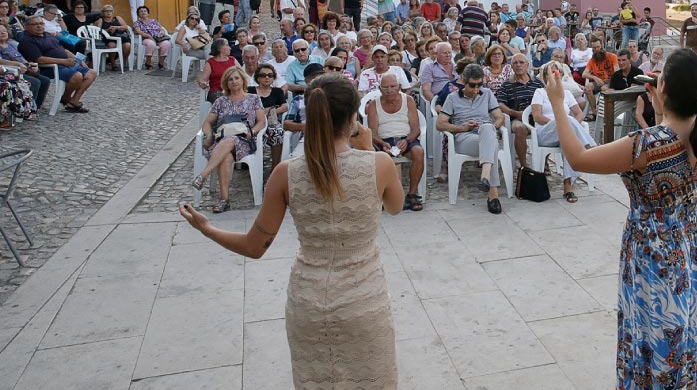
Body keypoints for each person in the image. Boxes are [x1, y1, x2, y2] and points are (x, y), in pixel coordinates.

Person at [181, 73, 402, 387]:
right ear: (354, 117)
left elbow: (254, 246)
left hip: (308, 300)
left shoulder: (286, 172)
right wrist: (367, 151)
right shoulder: (379, 164)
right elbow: (395, 206)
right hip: (364, 299)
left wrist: (208, 229)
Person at [543, 48, 697, 386]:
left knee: (651, 334)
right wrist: (662, 109)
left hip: (654, 255)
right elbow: (672, 141)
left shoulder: (645, 145)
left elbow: (578, 159)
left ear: (663, 87)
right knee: (684, 331)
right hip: (691, 245)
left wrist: (558, 102)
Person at [192, 65, 267, 213]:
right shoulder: (221, 101)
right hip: (222, 141)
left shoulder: (253, 99)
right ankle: (224, 200)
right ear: (226, 83)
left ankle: (204, 175)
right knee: (226, 156)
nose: (234, 82)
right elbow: (207, 123)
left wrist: (252, 131)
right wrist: (209, 135)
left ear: (243, 80)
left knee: (230, 140)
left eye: (237, 78)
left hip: (245, 141)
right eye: (230, 79)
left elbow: (261, 121)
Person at [437, 64, 506, 213]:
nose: (476, 89)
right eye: (472, 85)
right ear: (464, 81)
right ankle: (492, 193)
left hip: (485, 135)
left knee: (488, 128)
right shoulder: (452, 98)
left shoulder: (487, 94)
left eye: (479, 85)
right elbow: (440, 124)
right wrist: (463, 128)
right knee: (492, 144)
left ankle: (486, 179)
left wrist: (491, 127)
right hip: (464, 138)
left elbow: (500, 118)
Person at [528, 62, 598, 202]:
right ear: (544, 76)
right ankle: (590, 146)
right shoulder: (540, 92)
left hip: (563, 132)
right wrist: (561, 124)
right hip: (545, 132)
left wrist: (566, 127)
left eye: (556, 72)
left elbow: (579, 114)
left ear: (560, 74)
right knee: (567, 121)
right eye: (548, 73)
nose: (552, 76)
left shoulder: (567, 94)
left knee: (569, 140)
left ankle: (568, 188)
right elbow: (537, 116)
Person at [365, 72, 424, 210]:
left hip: (406, 138)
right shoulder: (373, 104)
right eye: (385, 87)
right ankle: (384, 196)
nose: (389, 90)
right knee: (379, 157)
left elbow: (416, 129)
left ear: (399, 87)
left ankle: (412, 194)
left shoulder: (408, 100)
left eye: (393, 86)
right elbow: (372, 133)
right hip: (383, 141)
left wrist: (407, 141)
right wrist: (382, 143)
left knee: (418, 152)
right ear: (380, 89)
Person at [18, 14, 95, 112]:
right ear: (26, 26)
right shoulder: (27, 40)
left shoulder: (47, 35)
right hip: (48, 68)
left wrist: (78, 60)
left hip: (65, 64)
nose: (39, 26)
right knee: (77, 76)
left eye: (41, 23)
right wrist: (64, 61)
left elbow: (63, 50)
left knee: (91, 73)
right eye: (35, 24)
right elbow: (39, 59)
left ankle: (74, 101)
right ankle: (66, 98)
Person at [496, 53, 543, 168]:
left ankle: (544, 163)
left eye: (521, 62)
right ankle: (524, 165)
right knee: (519, 128)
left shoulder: (537, 83)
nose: (518, 65)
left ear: (527, 65)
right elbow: (500, 104)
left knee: (551, 127)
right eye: (515, 63)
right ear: (511, 66)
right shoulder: (507, 84)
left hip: (537, 117)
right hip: (517, 118)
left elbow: (546, 100)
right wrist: (515, 113)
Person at [0, 23, 49, 113]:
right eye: (0, 32)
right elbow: (1, 61)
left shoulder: (11, 44)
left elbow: (21, 58)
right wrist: (18, 64)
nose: (3, 33)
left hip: (23, 69)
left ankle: (36, 106)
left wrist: (29, 64)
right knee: (35, 82)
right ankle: (28, 109)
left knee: (45, 80)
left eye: (4, 31)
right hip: (11, 72)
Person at [247, 64, 288, 165]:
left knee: (278, 132)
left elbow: (285, 106)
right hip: (253, 122)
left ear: (273, 78)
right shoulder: (250, 90)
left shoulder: (277, 91)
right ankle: (252, 163)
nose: (267, 78)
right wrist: (261, 113)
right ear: (257, 78)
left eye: (270, 75)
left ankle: (275, 166)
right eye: (263, 75)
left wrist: (270, 112)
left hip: (270, 122)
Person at [132, 5, 171, 70]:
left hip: (158, 38)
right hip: (146, 38)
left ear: (148, 13)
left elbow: (161, 28)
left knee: (166, 44)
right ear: (138, 14)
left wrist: (162, 32)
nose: (143, 12)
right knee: (151, 44)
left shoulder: (154, 21)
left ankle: (161, 63)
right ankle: (148, 63)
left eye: (145, 11)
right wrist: (148, 36)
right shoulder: (137, 23)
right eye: (141, 11)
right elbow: (137, 31)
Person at [96, 4, 133, 69]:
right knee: (112, 45)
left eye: (110, 11)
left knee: (127, 46)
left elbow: (126, 27)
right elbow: (97, 30)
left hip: (121, 37)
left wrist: (116, 27)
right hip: (109, 38)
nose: (108, 12)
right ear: (103, 12)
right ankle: (113, 62)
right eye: (106, 11)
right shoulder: (101, 20)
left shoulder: (117, 18)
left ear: (113, 12)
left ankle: (124, 60)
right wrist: (107, 30)